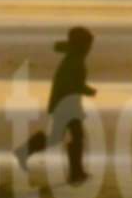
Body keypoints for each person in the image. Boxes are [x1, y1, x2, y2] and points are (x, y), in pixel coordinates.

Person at [14, 25, 97, 186]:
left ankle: (25, 151)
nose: (90, 48)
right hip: (66, 105)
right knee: (75, 137)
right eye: (88, 45)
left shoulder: (74, 55)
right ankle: (76, 173)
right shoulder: (75, 60)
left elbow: (62, 49)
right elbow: (72, 84)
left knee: (56, 137)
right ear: (81, 45)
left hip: (65, 103)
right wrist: (88, 91)